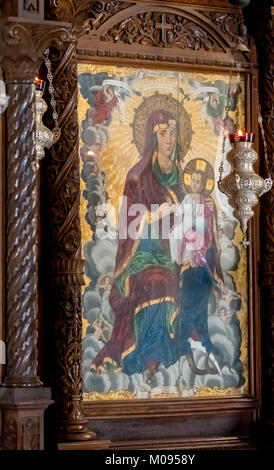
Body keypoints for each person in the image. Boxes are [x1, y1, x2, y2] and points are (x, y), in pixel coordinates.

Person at [90, 110, 184, 380]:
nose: (170, 139)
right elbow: (128, 221)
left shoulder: (180, 175)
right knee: (159, 281)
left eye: (173, 133)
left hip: (171, 252)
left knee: (183, 281)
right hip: (141, 256)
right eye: (164, 133)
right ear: (152, 138)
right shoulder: (137, 176)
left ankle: (165, 349)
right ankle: (148, 353)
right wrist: (155, 215)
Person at [170, 160, 224, 361]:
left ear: (203, 183)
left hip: (204, 260)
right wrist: (189, 254)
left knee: (202, 302)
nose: (196, 183)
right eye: (193, 180)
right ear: (189, 181)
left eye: (199, 181)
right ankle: (181, 342)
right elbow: (182, 229)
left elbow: (209, 229)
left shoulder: (207, 203)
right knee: (187, 300)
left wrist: (213, 213)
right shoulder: (186, 202)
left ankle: (205, 339)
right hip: (190, 260)